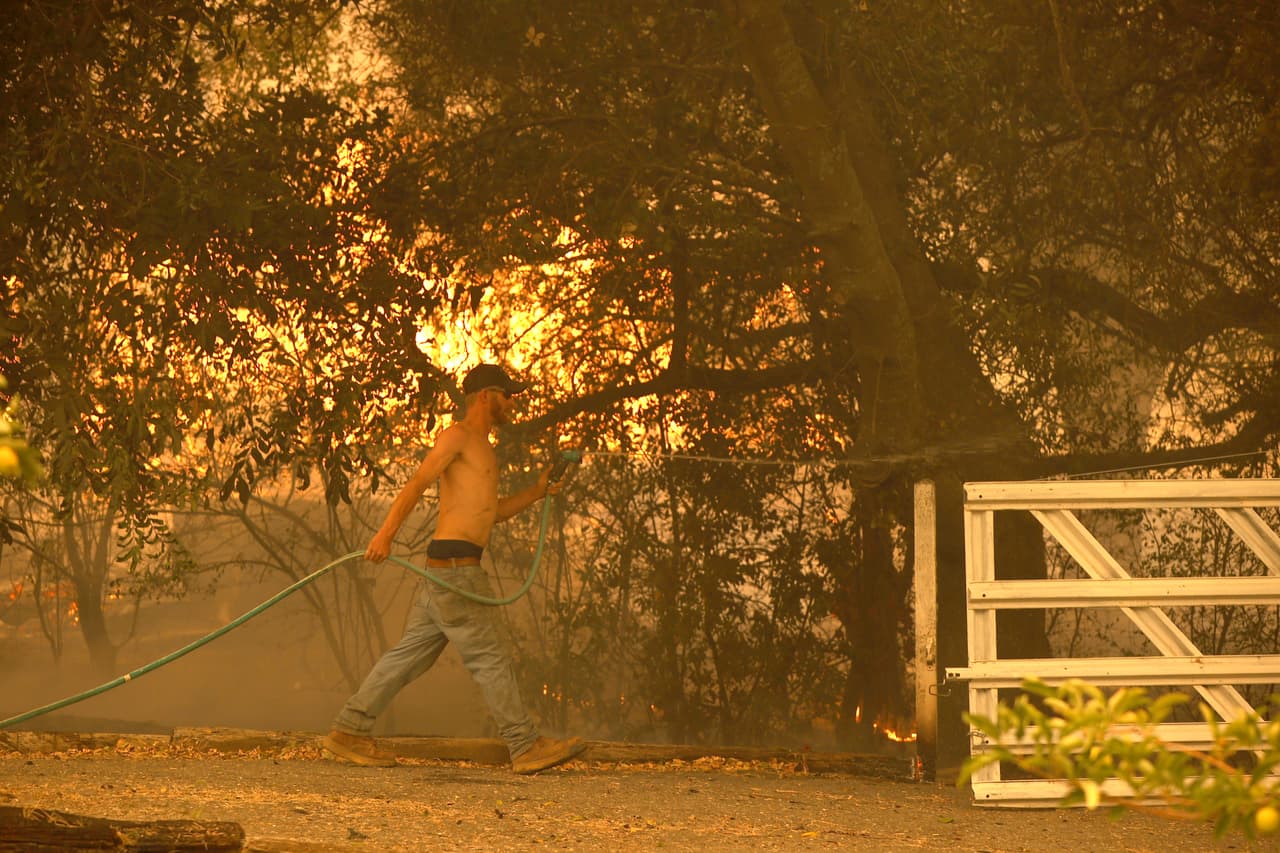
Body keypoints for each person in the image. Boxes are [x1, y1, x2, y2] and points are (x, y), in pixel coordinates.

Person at [321, 363, 585, 774]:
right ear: (486, 396)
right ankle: (524, 744)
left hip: (448, 571)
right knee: (490, 657)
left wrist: (537, 491)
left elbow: (492, 513)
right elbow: (417, 483)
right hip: (456, 570)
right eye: (507, 395)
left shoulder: (483, 448)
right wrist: (385, 536)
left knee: (407, 658)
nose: (512, 403)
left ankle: (348, 731)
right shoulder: (457, 437)